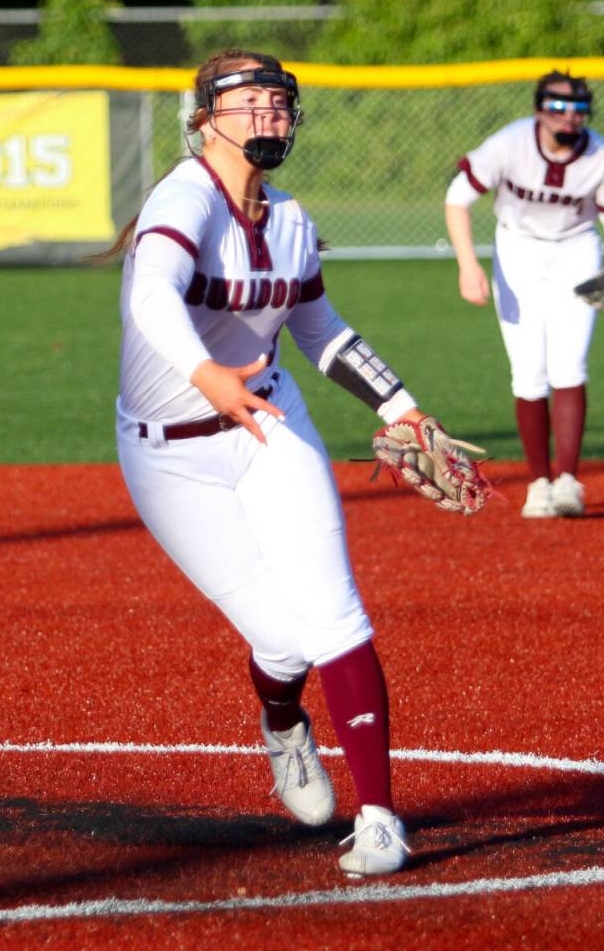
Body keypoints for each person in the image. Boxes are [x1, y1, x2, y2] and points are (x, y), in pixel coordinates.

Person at [110, 48, 434, 878]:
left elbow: (321, 330)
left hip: (269, 425)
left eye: (280, 103)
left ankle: (379, 819)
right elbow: (150, 296)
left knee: (336, 615)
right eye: (250, 101)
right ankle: (284, 722)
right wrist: (207, 375)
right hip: (171, 457)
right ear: (205, 119)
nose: (270, 116)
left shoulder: (289, 218)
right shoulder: (183, 200)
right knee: (284, 643)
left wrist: (400, 407)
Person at [444, 70, 604, 518]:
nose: (569, 117)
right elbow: (457, 197)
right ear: (538, 110)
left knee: (569, 364)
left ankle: (567, 480)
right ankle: (538, 483)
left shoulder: (602, 155)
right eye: (557, 107)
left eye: (579, 109)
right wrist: (467, 264)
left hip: (576, 250)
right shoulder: (511, 143)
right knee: (528, 370)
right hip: (517, 250)